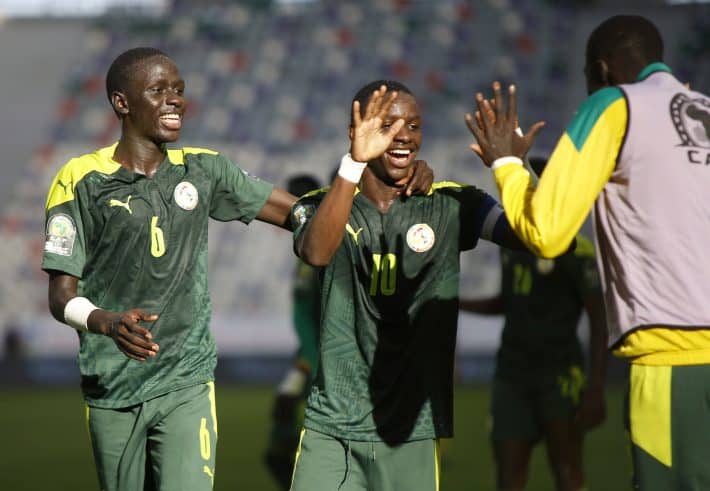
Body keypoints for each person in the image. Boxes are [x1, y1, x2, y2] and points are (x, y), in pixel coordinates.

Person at [41, 47, 434, 491]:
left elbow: (304, 215)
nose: (175, 100)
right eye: (158, 90)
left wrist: (394, 179)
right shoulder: (80, 179)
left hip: (186, 378)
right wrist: (105, 322)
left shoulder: (204, 169)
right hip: (111, 384)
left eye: (179, 90)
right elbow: (61, 295)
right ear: (122, 102)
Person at [467, 15, 710, 490]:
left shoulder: (614, 105)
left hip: (674, 359)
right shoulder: (703, 107)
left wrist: (508, 166)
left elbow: (549, 233)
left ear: (600, 69)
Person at [288, 80, 528, 491]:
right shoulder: (320, 205)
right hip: (332, 425)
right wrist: (354, 164)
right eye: (388, 125)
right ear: (357, 131)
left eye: (414, 127)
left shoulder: (451, 204)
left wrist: (512, 168)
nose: (404, 137)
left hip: (410, 429)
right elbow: (316, 253)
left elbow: (533, 237)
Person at [460, 161, 607, 491]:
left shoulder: (574, 249)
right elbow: (508, 301)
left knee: (567, 471)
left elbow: (599, 318)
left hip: (559, 374)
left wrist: (596, 386)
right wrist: (456, 303)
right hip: (512, 374)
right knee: (508, 478)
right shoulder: (512, 244)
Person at [264, 174, 322, 490]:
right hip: (310, 355)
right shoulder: (307, 254)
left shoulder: (322, 254)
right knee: (284, 410)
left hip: (322, 358)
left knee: (290, 418)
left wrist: (311, 360)